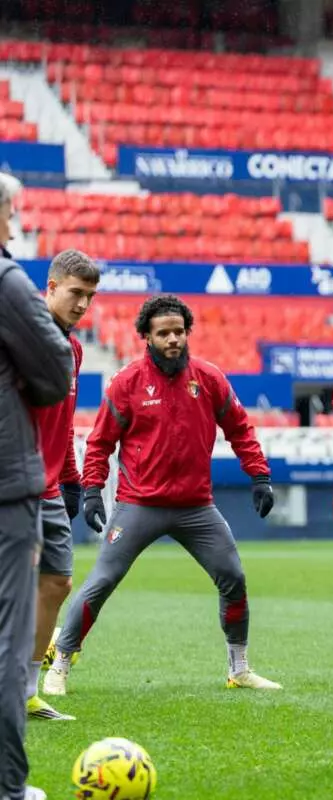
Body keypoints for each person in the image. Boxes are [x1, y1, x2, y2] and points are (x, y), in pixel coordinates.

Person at [43, 295, 281, 696]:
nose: (173, 339)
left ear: (187, 333)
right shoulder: (126, 383)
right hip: (139, 506)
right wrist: (92, 491)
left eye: (179, 332)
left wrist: (260, 476)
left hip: (196, 507)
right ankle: (61, 664)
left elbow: (240, 428)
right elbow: (100, 443)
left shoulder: (208, 379)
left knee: (234, 578)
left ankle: (239, 669)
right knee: (101, 581)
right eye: (163, 333)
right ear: (146, 338)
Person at [0, 169, 74, 800]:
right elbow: (55, 374)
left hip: (28, 480)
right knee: (6, 631)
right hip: (7, 484)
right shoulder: (7, 282)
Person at [23, 250, 99, 722]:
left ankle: (26, 692)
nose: (82, 305)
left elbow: (63, 422)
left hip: (50, 485)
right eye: (75, 294)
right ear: (50, 288)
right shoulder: (21, 334)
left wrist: (72, 479)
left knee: (57, 581)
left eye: (90, 297)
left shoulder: (72, 350)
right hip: (15, 483)